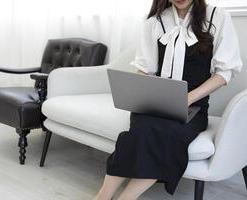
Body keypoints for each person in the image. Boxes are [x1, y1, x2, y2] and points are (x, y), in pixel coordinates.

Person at [93, 0, 243, 199]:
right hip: (154, 101)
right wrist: (140, 92)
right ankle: (103, 196)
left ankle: (126, 198)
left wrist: (189, 98)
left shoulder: (217, 17)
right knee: (141, 129)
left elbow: (225, 73)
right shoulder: (155, 22)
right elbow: (145, 68)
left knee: (167, 133)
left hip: (194, 105)